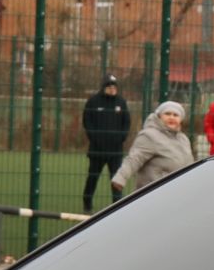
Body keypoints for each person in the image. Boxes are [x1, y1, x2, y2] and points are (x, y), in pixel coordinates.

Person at [112, 101, 194, 194]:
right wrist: (121, 177)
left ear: (180, 119)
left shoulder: (183, 139)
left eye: (175, 115)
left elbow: (189, 164)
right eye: (167, 114)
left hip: (178, 192)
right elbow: (134, 158)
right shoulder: (149, 135)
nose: (171, 117)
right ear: (159, 116)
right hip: (153, 193)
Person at [80, 75, 131, 211]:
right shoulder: (93, 102)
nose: (112, 89)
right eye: (109, 87)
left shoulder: (121, 102)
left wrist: (121, 137)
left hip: (115, 151)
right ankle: (87, 201)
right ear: (103, 88)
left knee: (116, 179)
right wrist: (95, 138)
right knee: (93, 177)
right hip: (97, 150)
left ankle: (117, 204)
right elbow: (87, 121)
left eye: (114, 87)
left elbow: (126, 123)